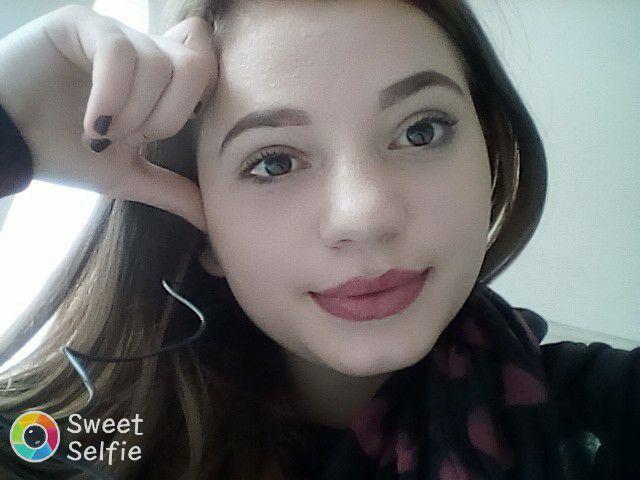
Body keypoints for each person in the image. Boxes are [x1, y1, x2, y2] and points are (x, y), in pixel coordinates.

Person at [0, 1, 637, 479]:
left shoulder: (605, 414)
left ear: (491, 157)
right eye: (273, 162)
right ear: (200, 224)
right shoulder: (59, 440)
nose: (364, 216)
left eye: (420, 131)